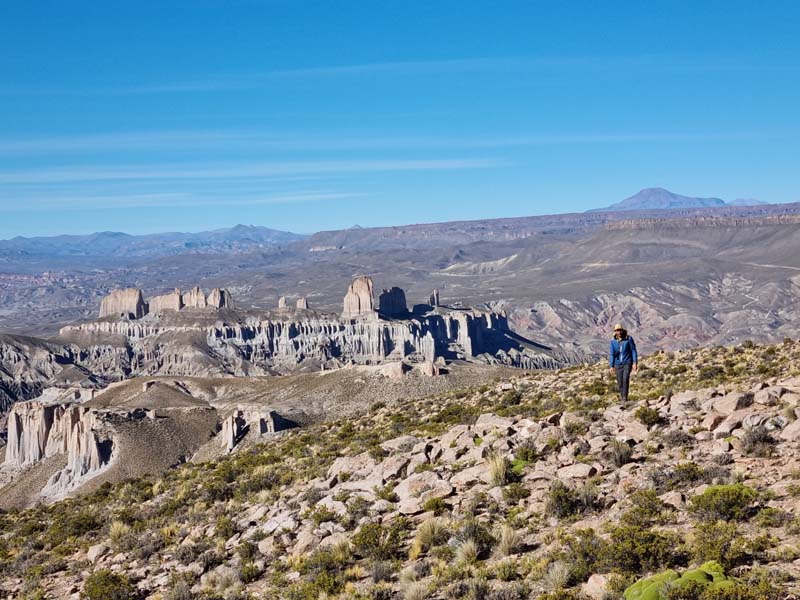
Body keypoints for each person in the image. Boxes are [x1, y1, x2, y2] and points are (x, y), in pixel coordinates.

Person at [609, 323, 638, 402]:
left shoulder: (628, 339)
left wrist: (635, 362)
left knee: (625, 379)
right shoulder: (613, 342)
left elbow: (633, 350)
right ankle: (623, 397)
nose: (619, 332)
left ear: (622, 330)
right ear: (615, 331)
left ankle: (625, 398)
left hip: (627, 362)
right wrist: (611, 365)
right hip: (618, 364)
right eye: (617, 330)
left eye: (620, 330)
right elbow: (611, 354)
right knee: (620, 382)